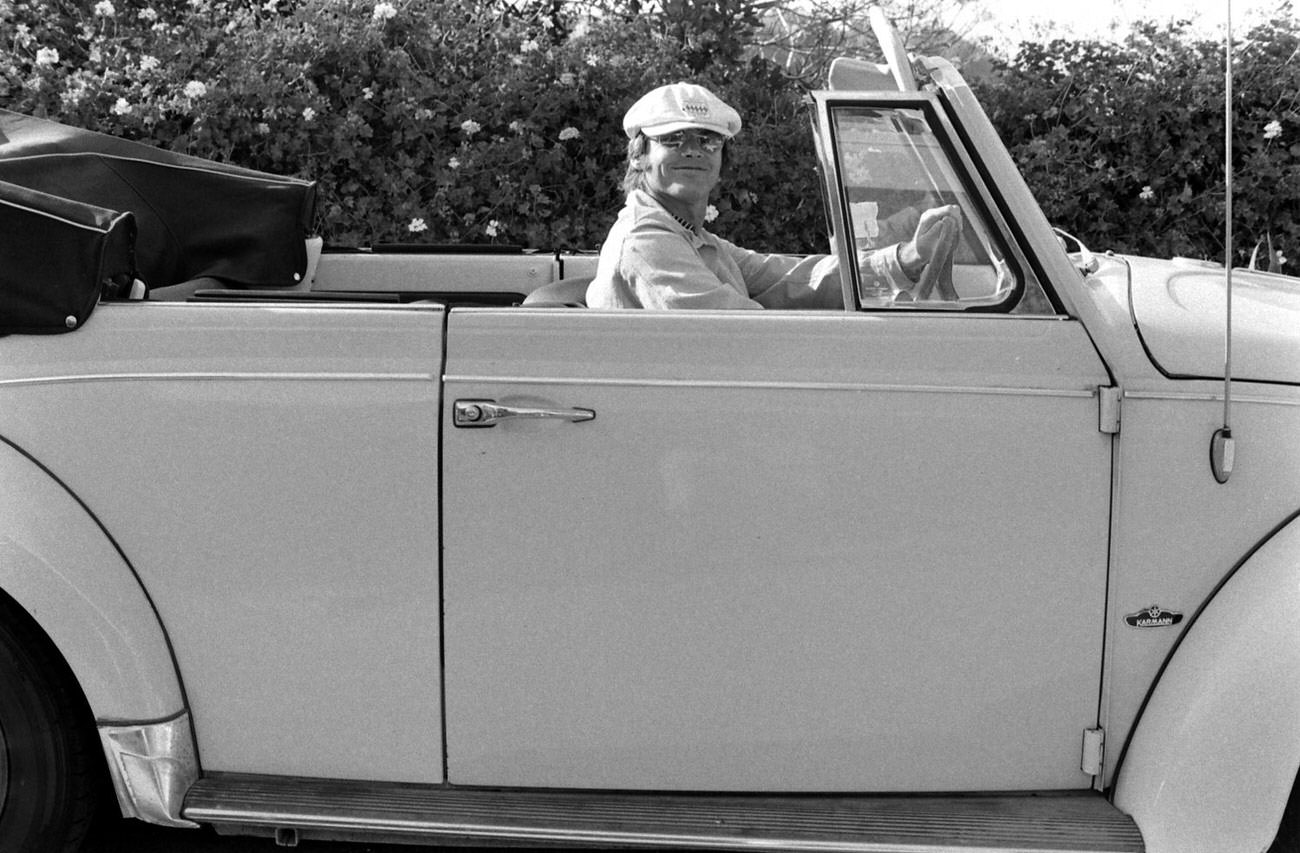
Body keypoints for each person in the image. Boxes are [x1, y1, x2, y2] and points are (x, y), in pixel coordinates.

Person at [586, 82, 962, 310]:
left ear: (721, 158)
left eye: (708, 139)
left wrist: (905, 259)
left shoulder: (686, 234)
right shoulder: (647, 240)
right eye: (672, 139)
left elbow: (784, 277)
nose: (692, 150)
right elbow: (744, 335)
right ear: (640, 156)